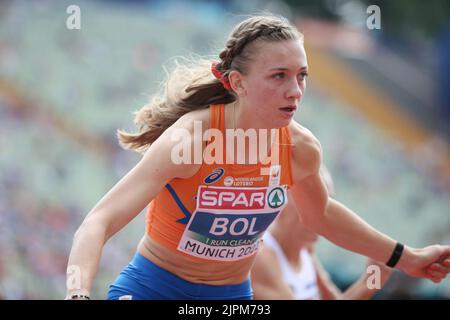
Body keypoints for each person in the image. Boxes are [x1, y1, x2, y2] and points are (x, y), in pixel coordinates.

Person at [65, 14, 450, 300]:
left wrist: (406, 256)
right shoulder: (191, 139)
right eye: (279, 76)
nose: (295, 90)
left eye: (302, 76)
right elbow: (99, 220)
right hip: (156, 288)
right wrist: (78, 293)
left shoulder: (299, 149)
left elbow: (322, 215)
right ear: (237, 82)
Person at [251, 166, 393, 300]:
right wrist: (367, 285)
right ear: (282, 197)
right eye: (312, 202)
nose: (321, 213)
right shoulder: (259, 256)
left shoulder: (306, 249)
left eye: (328, 203)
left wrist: (372, 281)